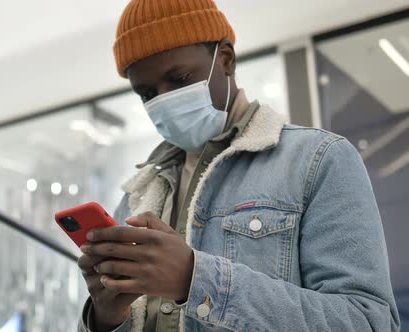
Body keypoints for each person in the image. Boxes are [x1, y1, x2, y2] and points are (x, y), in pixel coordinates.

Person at [77, 0, 400, 331]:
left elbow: (369, 321)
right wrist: (106, 318)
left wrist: (195, 279)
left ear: (226, 59)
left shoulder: (319, 160)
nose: (163, 100)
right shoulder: (137, 195)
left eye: (178, 78)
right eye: (147, 94)